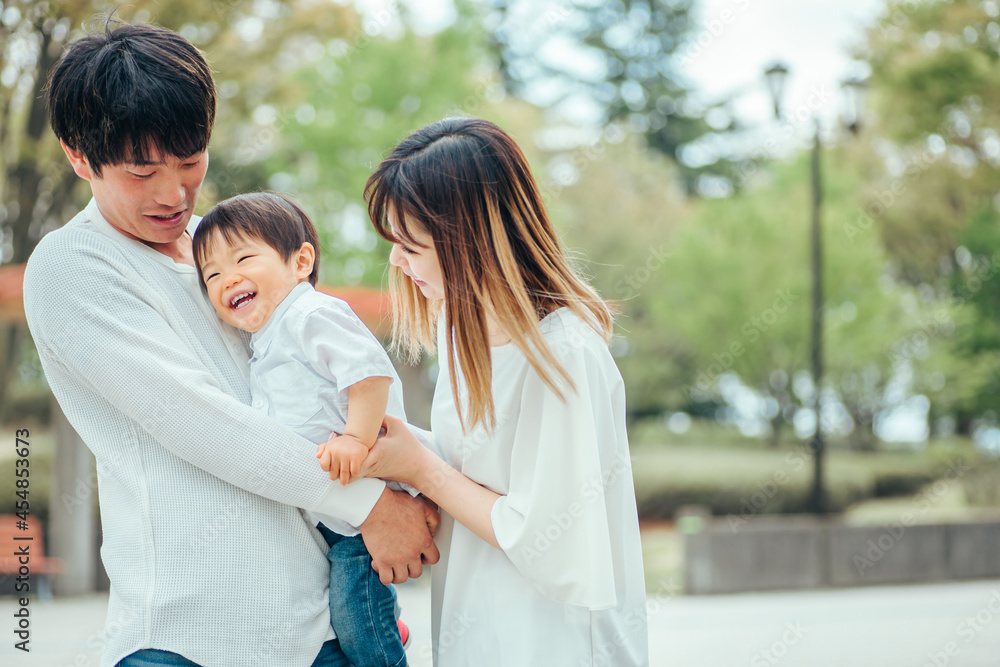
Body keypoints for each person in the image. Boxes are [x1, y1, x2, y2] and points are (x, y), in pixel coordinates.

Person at [23, 22, 438, 667]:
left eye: (190, 162)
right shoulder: (74, 267)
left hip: (313, 626)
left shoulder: (226, 255)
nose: (173, 194)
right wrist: (369, 504)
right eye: (142, 172)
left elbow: (317, 383)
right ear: (79, 156)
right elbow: (202, 423)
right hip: (190, 634)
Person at [348, 117, 650, 666]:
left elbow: (549, 539)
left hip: (556, 646)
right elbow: (483, 475)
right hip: (478, 634)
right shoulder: (460, 333)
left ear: (470, 241)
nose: (395, 260)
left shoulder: (565, 355)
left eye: (410, 245)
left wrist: (421, 468)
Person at [192, 192, 415, 667]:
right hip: (333, 513)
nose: (227, 277)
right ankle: (387, 624)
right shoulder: (266, 339)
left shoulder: (311, 314)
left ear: (301, 260)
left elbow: (370, 374)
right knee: (353, 609)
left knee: (358, 625)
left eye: (244, 258)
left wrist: (355, 437)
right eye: (211, 275)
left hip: (363, 501)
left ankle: (385, 645)